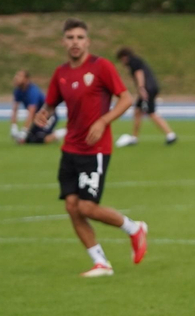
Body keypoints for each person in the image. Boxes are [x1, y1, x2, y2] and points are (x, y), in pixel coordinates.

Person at [44, 19, 147, 278]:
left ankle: (134, 229)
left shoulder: (101, 67)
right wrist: (42, 115)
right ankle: (100, 262)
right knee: (71, 206)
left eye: (80, 37)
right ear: (63, 42)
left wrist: (103, 121)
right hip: (70, 149)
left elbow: (126, 98)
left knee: (87, 207)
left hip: (95, 150)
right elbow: (50, 104)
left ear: (87, 41)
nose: (75, 42)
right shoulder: (61, 73)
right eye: (70, 37)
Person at [114, 47, 178, 146]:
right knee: (137, 111)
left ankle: (170, 134)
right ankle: (134, 137)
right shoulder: (136, 60)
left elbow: (139, 74)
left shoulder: (133, 62)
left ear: (124, 57)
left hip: (148, 89)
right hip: (150, 88)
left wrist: (141, 88)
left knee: (151, 112)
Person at [9, 70, 52, 143]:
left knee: (39, 138)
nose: (16, 78)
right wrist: (14, 126)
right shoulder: (18, 90)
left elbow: (31, 113)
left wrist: (24, 131)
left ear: (26, 79)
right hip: (37, 118)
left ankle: (61, 133)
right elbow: (15, 109)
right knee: (27, 140)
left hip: (48, 116)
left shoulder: (33, 91)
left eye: (19, 76)